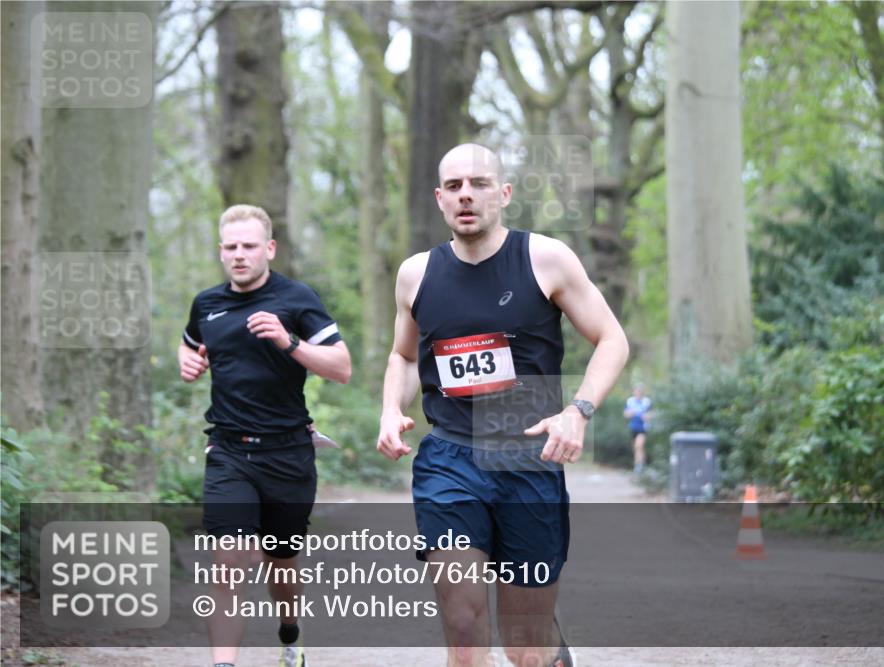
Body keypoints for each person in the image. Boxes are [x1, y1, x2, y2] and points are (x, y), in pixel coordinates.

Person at [376, 143, 629, 667]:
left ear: (504, 193)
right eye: (454, 186)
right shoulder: (416, 274)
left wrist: (577, 411)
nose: (466, 195)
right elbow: (402, 356)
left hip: (526, 460)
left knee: (524, 647)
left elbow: (612, 339)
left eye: (480, 184)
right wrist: (389, 410)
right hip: (449, 458)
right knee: (465, 630)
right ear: (439, 199)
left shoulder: (546, 258)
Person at [178, 204, 351, 667]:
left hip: (289, 454)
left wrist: (288, 342)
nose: (239, 255)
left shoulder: (297, 299)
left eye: (249, 246)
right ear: (221, 252)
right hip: (229, 452)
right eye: (231, 247)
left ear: (269, 249)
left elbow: (342, 367)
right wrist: (188, 359)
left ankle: (289, 634)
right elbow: (191, 341)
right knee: (229, 560)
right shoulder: (207, 304)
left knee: (281, 560)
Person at [624, 384, 652, 475]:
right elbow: (626, 414)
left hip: (643, 428)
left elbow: (650, 414)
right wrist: (630, 413)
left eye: (640, 391)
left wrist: (646, 416)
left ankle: (638, 469)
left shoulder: (646, 402)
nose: (638, 393)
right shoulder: (630, 401)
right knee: (638, 449)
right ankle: (642, 465)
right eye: (636, 391)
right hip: (633, 427)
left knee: (638, 446)